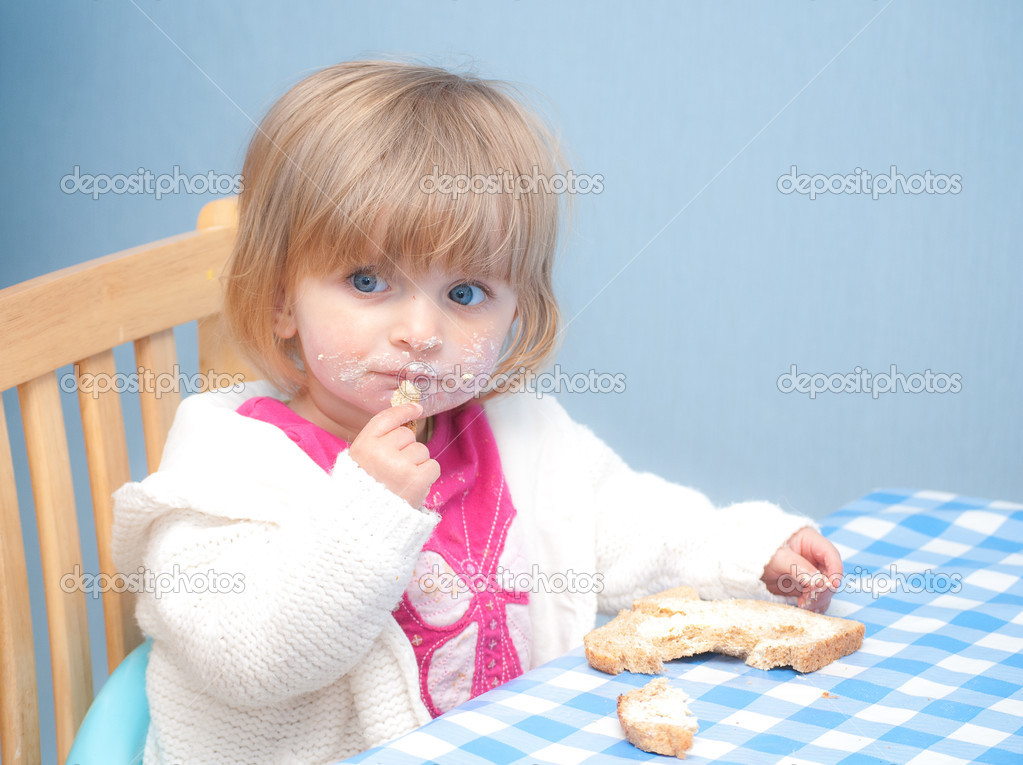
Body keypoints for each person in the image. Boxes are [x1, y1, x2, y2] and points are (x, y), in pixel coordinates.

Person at [112, 59, 843, 765]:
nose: (421, 333)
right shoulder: (228, 466)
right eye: (368, 281)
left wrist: (743, 552)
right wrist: (365, 510)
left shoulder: (518, 435)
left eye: (464, 294)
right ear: (280, 300)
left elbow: (624, 524)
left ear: (516, 310)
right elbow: (250, 655)